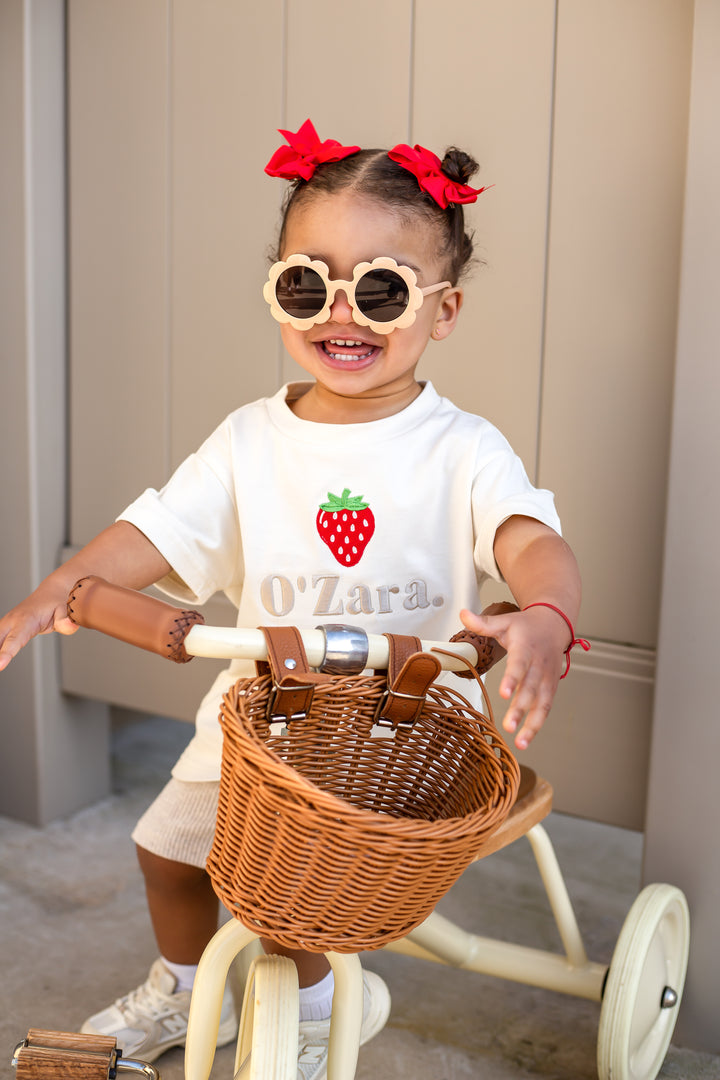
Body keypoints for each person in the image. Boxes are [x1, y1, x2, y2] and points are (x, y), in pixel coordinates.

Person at [0, 120, 584, 1077]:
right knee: (168, 852)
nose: (341, 314)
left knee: (291, 889)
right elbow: (154, 532)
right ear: (277, 290)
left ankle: (312, 1011)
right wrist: (53, 593)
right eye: (308, 284)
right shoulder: (247, 440)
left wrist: (544, 614)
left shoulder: (461, 448)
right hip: (263, 712)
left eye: (383, 289)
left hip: (409, 721)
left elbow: (531, 540)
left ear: (444, 311)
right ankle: (186, 986)